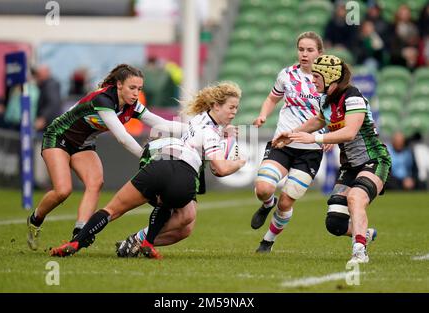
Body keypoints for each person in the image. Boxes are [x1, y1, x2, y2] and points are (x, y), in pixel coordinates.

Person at [49, 81, 246, 258]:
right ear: (215, 105)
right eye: (231, 107)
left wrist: (224, 134)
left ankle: (76, 242)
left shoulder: (200, 119)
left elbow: (202, 130)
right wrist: (239, 162)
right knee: (177, 210)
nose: (234, 112)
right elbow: (218, 168)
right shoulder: (210, 132)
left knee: (114, 210)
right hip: (183, 171)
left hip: (159, 161)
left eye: (236, 108)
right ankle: (144, 240)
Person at [26, 64, 183, 251]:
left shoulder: (133, 106)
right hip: (58, 137)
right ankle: (35, 220)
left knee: (95, 183)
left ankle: (80, 232)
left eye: (139, 89)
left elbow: (161, 123)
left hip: (83, 144)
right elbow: (122, 137)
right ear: (119, 85)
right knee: (63, 191)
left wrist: (197, 130)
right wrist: (145, 156)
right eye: (132, 88)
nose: (136, 93)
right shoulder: (103, 99)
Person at [275, 55, 391, 264]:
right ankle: (363, 233)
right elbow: (319, 120)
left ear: (330, 78)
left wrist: (315, 138)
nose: (313, 80)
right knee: (335, 223)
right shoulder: (325, 99)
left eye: (317, 76)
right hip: (349, 166)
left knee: (355, 198)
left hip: (374, 159)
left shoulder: (352, 96)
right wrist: (291, 133)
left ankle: (359, 251)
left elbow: (350, 132)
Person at [250, 31, 328, 253]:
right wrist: (263, 115)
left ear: (320, 53)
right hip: (283, 143)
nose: (304, 54)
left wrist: (332, 134)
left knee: (286, 203)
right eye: (301, 49)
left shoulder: (327, 81)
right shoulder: (286, 75)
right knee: (264, 188)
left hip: (310, 150)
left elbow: (335, 113)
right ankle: (267, 204)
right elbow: (272, 98)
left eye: (310, 50)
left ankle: (267, 241)